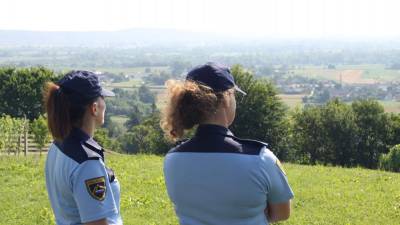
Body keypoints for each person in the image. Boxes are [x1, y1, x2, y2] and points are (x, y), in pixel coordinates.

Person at [161, 62, 294, 225]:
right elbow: (282, 213)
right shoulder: (261, 158)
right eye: (234, 95)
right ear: (226, 99)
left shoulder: (172, 159)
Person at [43, 70, 122, 225]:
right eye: (103, 98)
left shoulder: (58, 145)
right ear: (94, 108)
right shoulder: (87, 162)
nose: (105, 103)